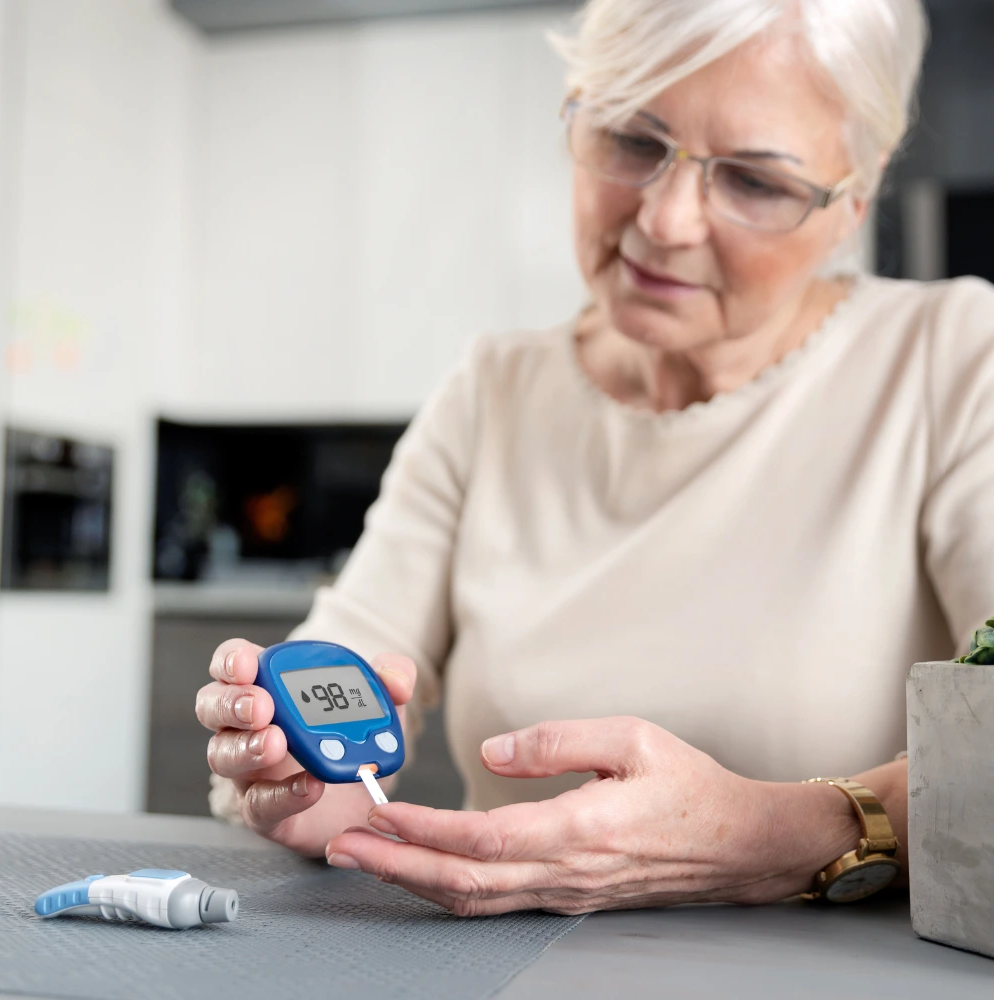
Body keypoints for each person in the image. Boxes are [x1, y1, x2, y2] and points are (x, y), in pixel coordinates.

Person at [196, 0, 994, 915]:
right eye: (631, 139)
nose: (665, 220)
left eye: (755, 182)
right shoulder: (493, 388)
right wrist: (286, 770)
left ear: (856, 192)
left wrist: (778, 836)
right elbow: (354, 655)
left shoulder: (956, 358)